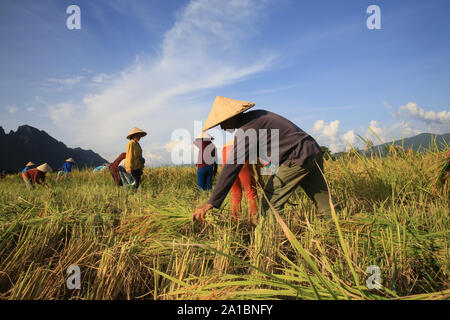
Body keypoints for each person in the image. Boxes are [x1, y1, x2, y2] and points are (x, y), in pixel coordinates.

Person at [193, 96, 334, 223]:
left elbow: (232, 166)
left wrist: (211, 202)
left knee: (270, 203)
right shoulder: (258, 115)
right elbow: (273, 153)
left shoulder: (246, 130)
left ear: (231, 117)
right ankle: (335, 224)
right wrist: (275, 182)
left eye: (222, 123)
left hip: (297, 156)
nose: (222, 128)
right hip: (312, 149)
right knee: (322, 197)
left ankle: (276, 239)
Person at [222, 138, 260, 224]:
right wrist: (260, 178)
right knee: (251, 192)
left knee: (236, 193)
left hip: (225, 153)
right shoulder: (250, 141)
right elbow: (257, 163)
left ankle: (236, 221)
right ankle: (254, 222)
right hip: (241, 151)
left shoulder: (228, 143)